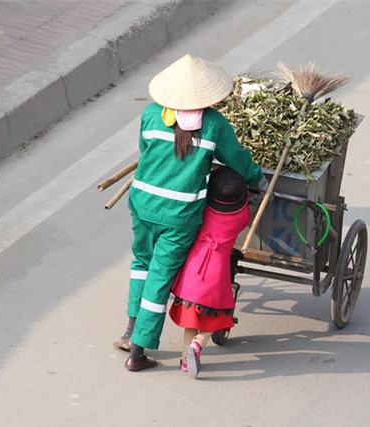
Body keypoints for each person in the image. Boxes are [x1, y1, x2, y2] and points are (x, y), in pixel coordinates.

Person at [114, 54, 269, 372]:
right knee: (159, 276)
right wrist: (258, 179)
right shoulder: (214, 125)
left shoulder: (150, 114)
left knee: (141, 262)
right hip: (179, 215)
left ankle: (129, 329)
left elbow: (147, 153)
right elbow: (237, 160)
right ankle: (137, 351)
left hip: (142, 202)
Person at [169, 166, 250, 378]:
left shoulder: (202, 209)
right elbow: (247, 215)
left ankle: (186, 361)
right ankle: (199, 343)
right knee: (217, 317)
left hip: (193, 271)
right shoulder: (240, 217)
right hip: (215, 274)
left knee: (190, 318)